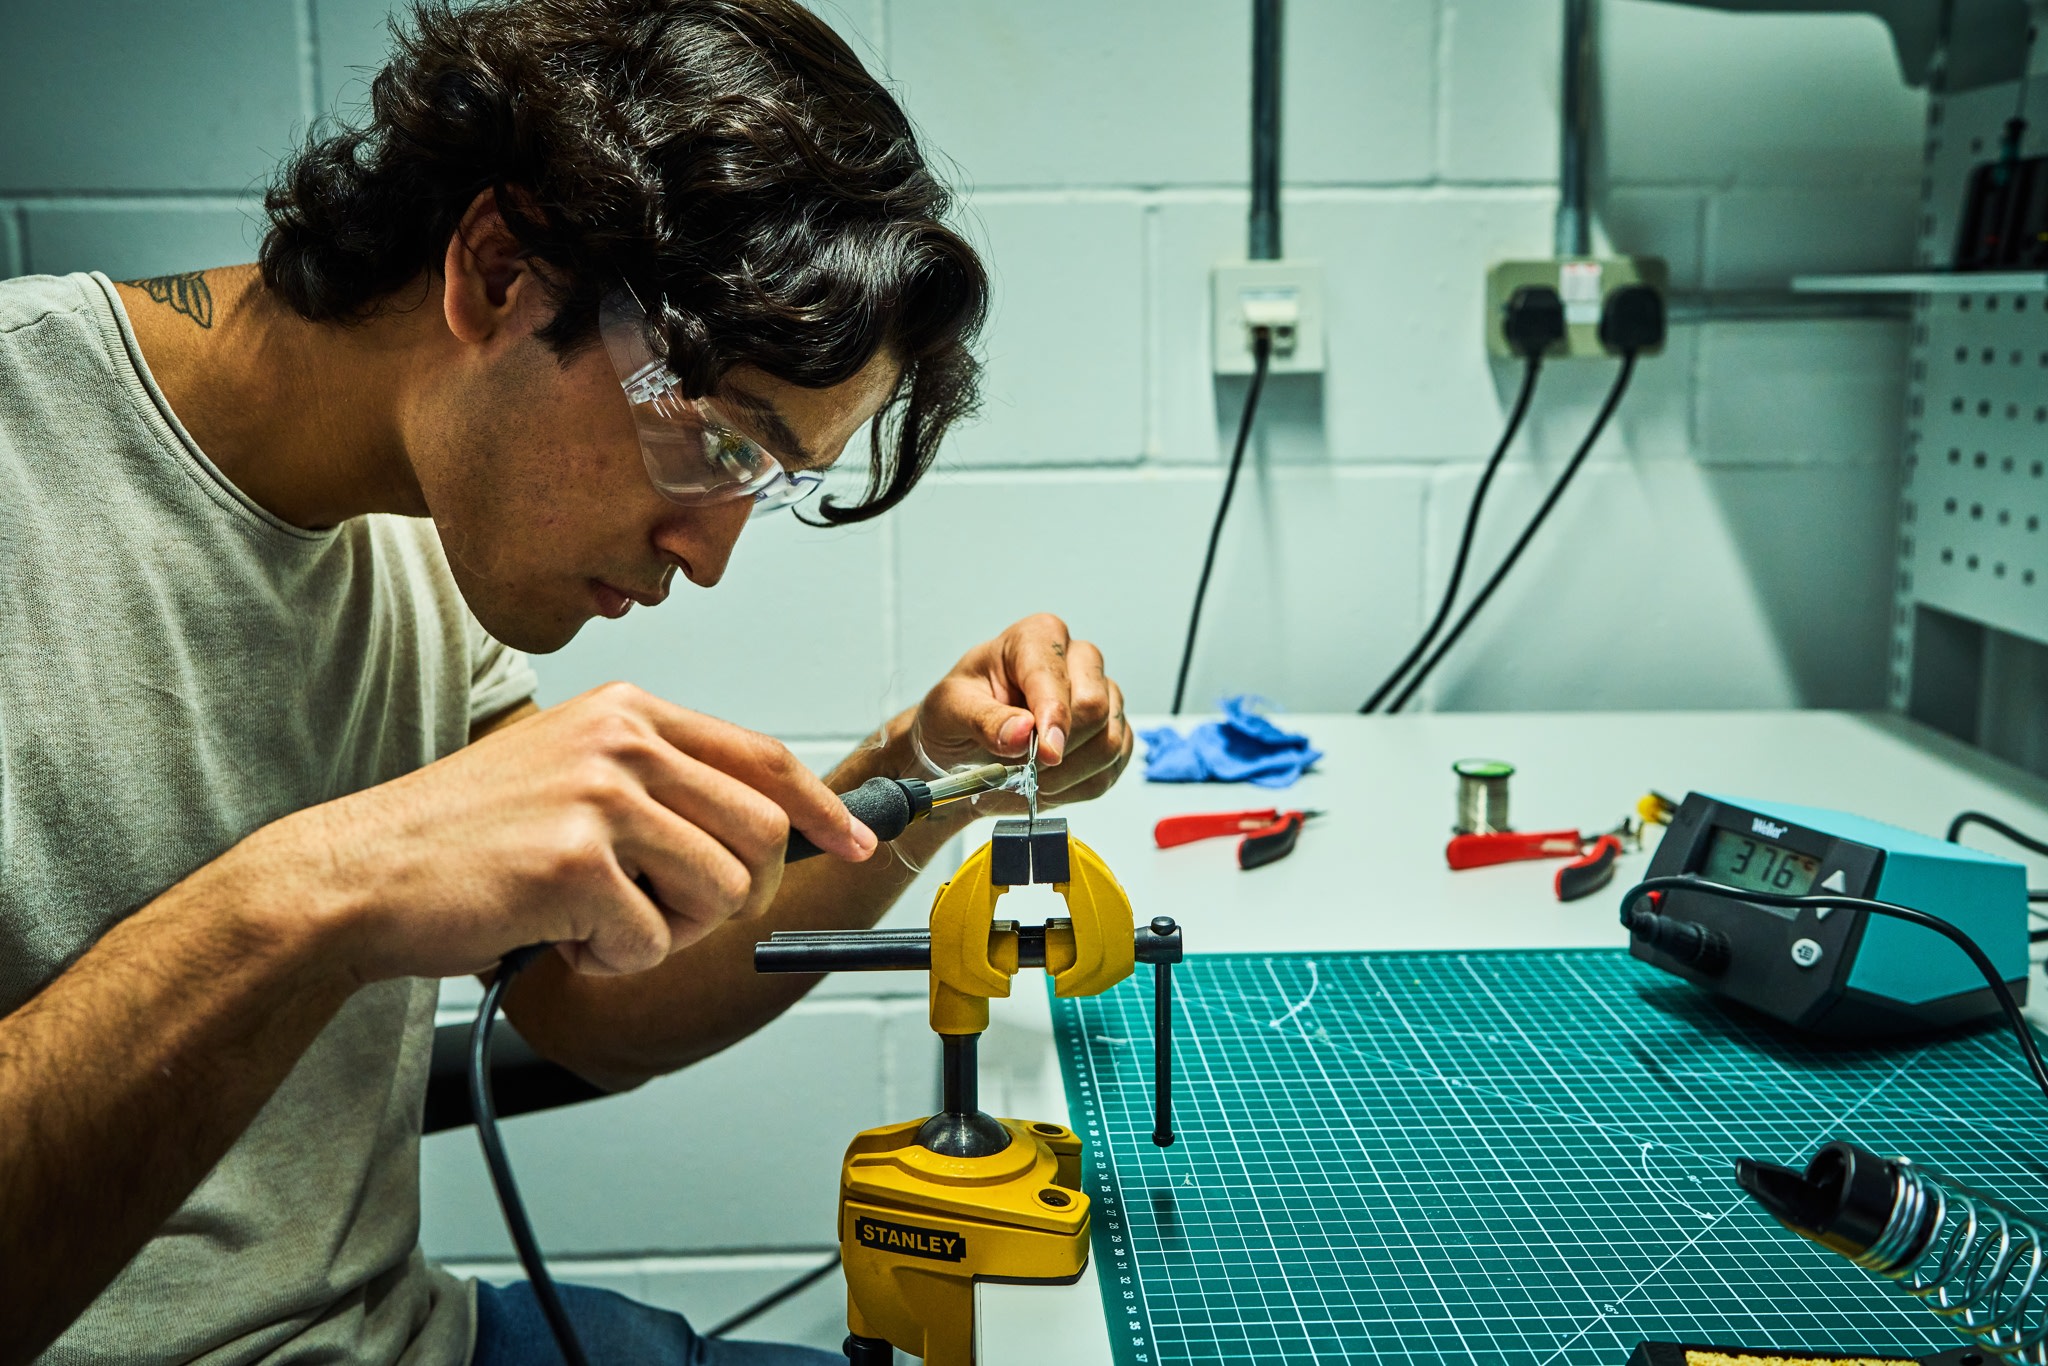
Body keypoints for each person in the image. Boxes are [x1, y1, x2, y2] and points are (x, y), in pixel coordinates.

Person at [0, 2, 1131, 1363]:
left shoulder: (424, 528)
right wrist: (323, 890)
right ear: (496, 269)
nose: (707, 556)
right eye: (714, 440)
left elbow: (586, 1004)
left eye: (763, 486)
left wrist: (922, 775)